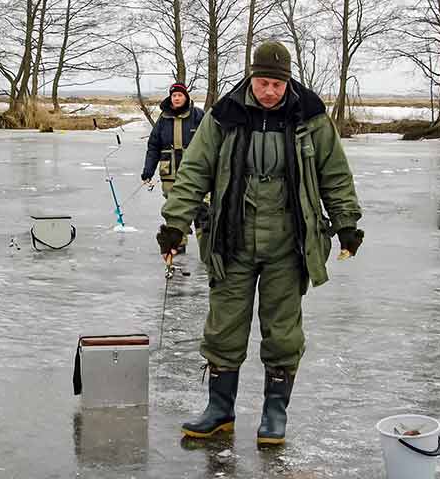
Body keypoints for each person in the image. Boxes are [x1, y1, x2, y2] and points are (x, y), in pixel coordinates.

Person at [156, 41, 364, 446]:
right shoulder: (224, 116)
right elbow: (195, 172)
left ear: (288, 81)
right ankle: (219, 410)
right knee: (223, 328)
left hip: (289, 245)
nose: (270, 92)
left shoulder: (311, 118)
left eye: (277, 84)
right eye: (263, 82)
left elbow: (334, 174)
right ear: (252, 78)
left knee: (283, 334)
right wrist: (175, 225)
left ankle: (274, 412)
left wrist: (346, 224)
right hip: (231, 241)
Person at [141, 83, 205, 253]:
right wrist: (148, 171)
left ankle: (207, 245)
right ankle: (178, 243)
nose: (176, 98)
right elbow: (153, 146)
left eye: (180, 95)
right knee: (174, 207)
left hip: (195, 172)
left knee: (201, 208)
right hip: (169, 172)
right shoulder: (163, 119)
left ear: (186, 97)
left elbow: (210, 143)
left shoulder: (198, 115)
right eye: (174, 95)